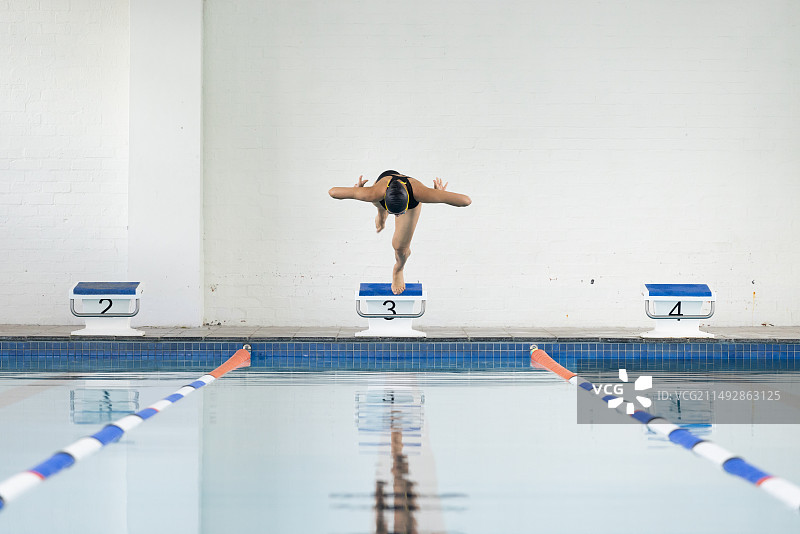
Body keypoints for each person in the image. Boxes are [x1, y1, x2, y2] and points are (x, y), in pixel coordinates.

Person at [329, 170, 472, 294]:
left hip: (409, 194)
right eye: (393, 213)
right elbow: (332, 192)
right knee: (372, 197)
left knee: (400, 248)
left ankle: (398, 269)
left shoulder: (421, 193)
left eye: (398, 213)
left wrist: (440, 194)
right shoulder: (373, 193)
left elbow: (466, 201)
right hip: (381, 187)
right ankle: (382, 211)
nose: (396, 216)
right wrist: (357, 191)